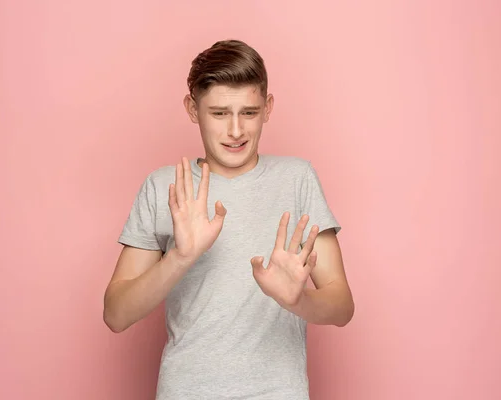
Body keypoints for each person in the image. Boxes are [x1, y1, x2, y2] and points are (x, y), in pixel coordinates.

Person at [103, 39, 355, 400]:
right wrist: (180, 257)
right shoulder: (164, 187)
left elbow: (342, 306)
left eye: (249, 113)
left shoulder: (297, 179)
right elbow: (116, 315)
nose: (236, 131)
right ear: (193, 109)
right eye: (219, 113)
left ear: (268, 108)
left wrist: (297, 301)